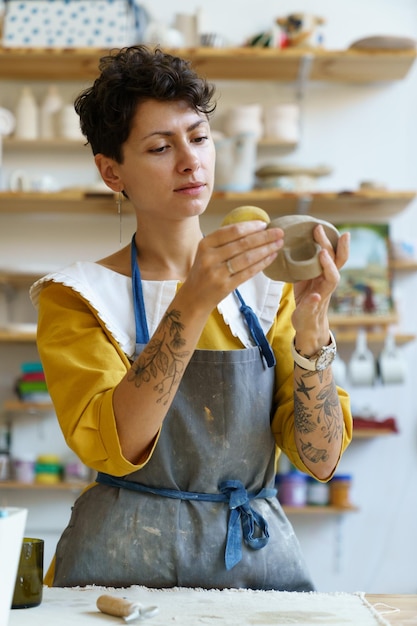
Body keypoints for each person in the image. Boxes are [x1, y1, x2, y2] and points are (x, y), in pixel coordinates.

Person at [30, 45, 351, 591]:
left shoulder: (269, 289)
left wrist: (312, 329)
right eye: (160, 146)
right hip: (116, 571)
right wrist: (193, 298)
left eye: (199, 138)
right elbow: (118, 445)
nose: (190, 160)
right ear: (112, 172)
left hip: (252, 567)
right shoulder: (78, 296)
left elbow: (319, 460)